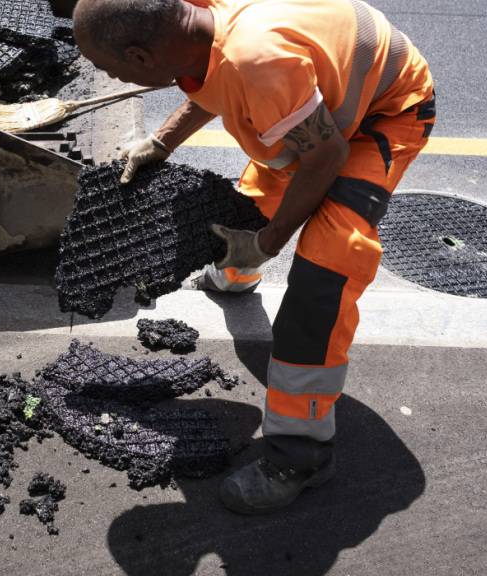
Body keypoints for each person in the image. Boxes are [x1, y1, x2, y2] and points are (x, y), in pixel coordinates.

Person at [72, 0, 435, 514]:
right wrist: (160, 141)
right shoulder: (200, 26)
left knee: (324, 276)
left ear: (140, 55)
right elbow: (214, 79)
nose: (108, 76)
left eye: (112, 69)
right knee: (248, 205)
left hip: (384, 113)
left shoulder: (258, 62)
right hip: (313, 100)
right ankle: (235, 273)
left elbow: (325, 155)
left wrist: (269, 242)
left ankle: (301, 456)